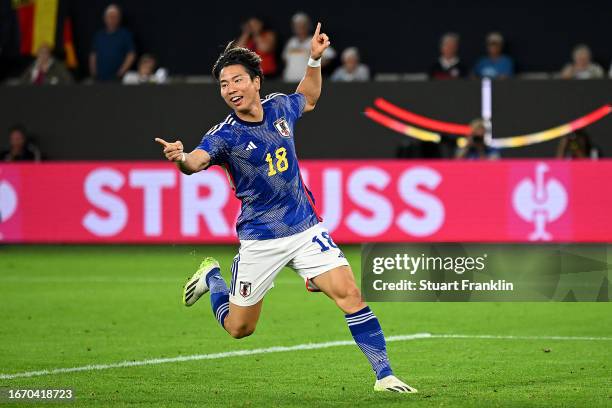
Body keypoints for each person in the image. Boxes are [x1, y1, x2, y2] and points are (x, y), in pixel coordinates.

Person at [154, 23, 417, 394]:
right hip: (261, 239)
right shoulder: (224, 135)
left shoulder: (279, 107)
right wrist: (180, 157)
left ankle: (384, 375)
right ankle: (212, 279)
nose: (231, 90)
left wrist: (313, 58)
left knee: (350, 294)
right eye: (224, 85)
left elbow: (307, 97)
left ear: (256, 82)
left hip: (305, 227)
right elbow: (196, 162)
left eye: (237, 81)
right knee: (239, 329)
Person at [282, 12, 335, 82]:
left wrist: (315, 66)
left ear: (307, 26)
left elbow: (330, 55)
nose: (300, 28)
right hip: (289, 80)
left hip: (306, 83)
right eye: (297, 25)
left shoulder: (315, 41)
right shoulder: (291, 42)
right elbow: (285, 58)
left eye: (302, 25)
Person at [89, 4, 136, 81]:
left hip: (117, 78)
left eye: (115, 17)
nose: (112, 19)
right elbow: (93, 54)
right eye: (110, 17)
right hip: (100, 78)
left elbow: (131, 54)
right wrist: (93, 72)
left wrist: (121, 72)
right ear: (105, 18)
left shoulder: (125, 35)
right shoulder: (99, 35)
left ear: (119, 18)